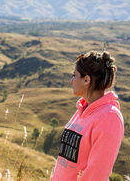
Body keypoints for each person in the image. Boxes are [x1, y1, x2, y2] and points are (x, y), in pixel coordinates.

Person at [50, 51, 124, 181]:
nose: (71, 81)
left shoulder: (109, 117)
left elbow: (97, 174)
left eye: (74, 75)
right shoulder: (82, 110)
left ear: (86, 80)